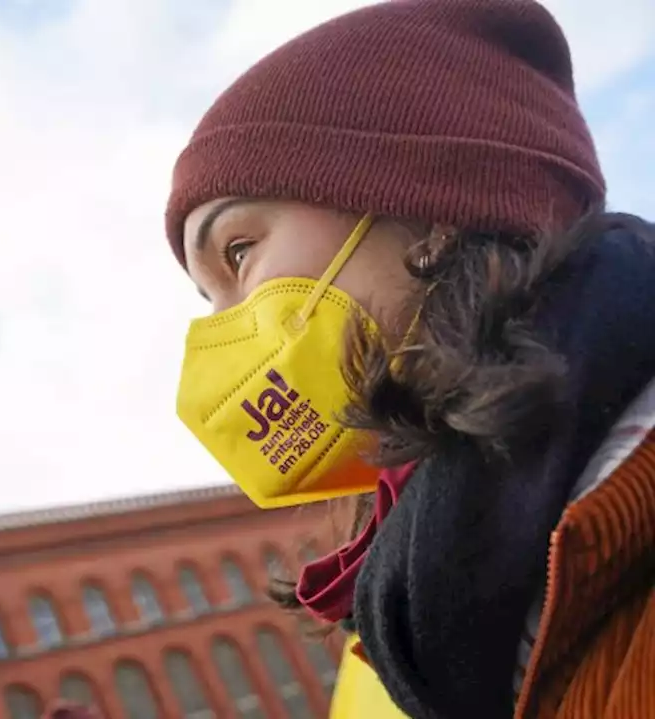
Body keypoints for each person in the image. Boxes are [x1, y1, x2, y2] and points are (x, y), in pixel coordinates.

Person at [159, 1, 655, 718]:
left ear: (430, 205)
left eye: (238, 250)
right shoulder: (415, 601)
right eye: (207, 297)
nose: (222, 329)